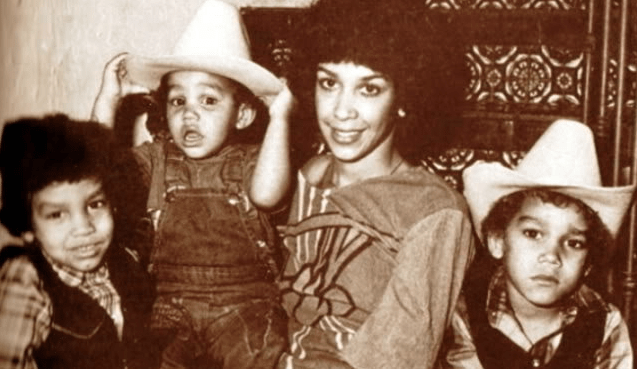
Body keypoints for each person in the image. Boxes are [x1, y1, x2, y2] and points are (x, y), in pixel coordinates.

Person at [90, 1, 293, 368]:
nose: (189, 113)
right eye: (178, 100)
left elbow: (267, 194)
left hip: (245, 303)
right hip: (170, 304)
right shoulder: (157, 157)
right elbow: (99, 171)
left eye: (209, 100)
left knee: (259, 354)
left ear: (243, 114)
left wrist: (279, 118)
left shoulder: (253, 161)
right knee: (139, 356)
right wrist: (109, 100)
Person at [276, 0, 475, 367]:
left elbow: (399, 356)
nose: (341, 110)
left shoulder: (436, 212)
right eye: (329, 83)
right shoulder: (309, 175)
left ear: (404, 99)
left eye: (369, 89)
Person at [439, 119, 635, 368]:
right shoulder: (464, 313)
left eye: (574, 243)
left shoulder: (605, 322)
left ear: (588, 264)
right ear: (498, 241)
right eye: (533, 234)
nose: (551, 256)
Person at [0, 114, 155, 369]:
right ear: (27, 226)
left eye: (95, 204)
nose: (84, 227)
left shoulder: (122, 260)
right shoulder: (25, 277)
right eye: (57, 214)